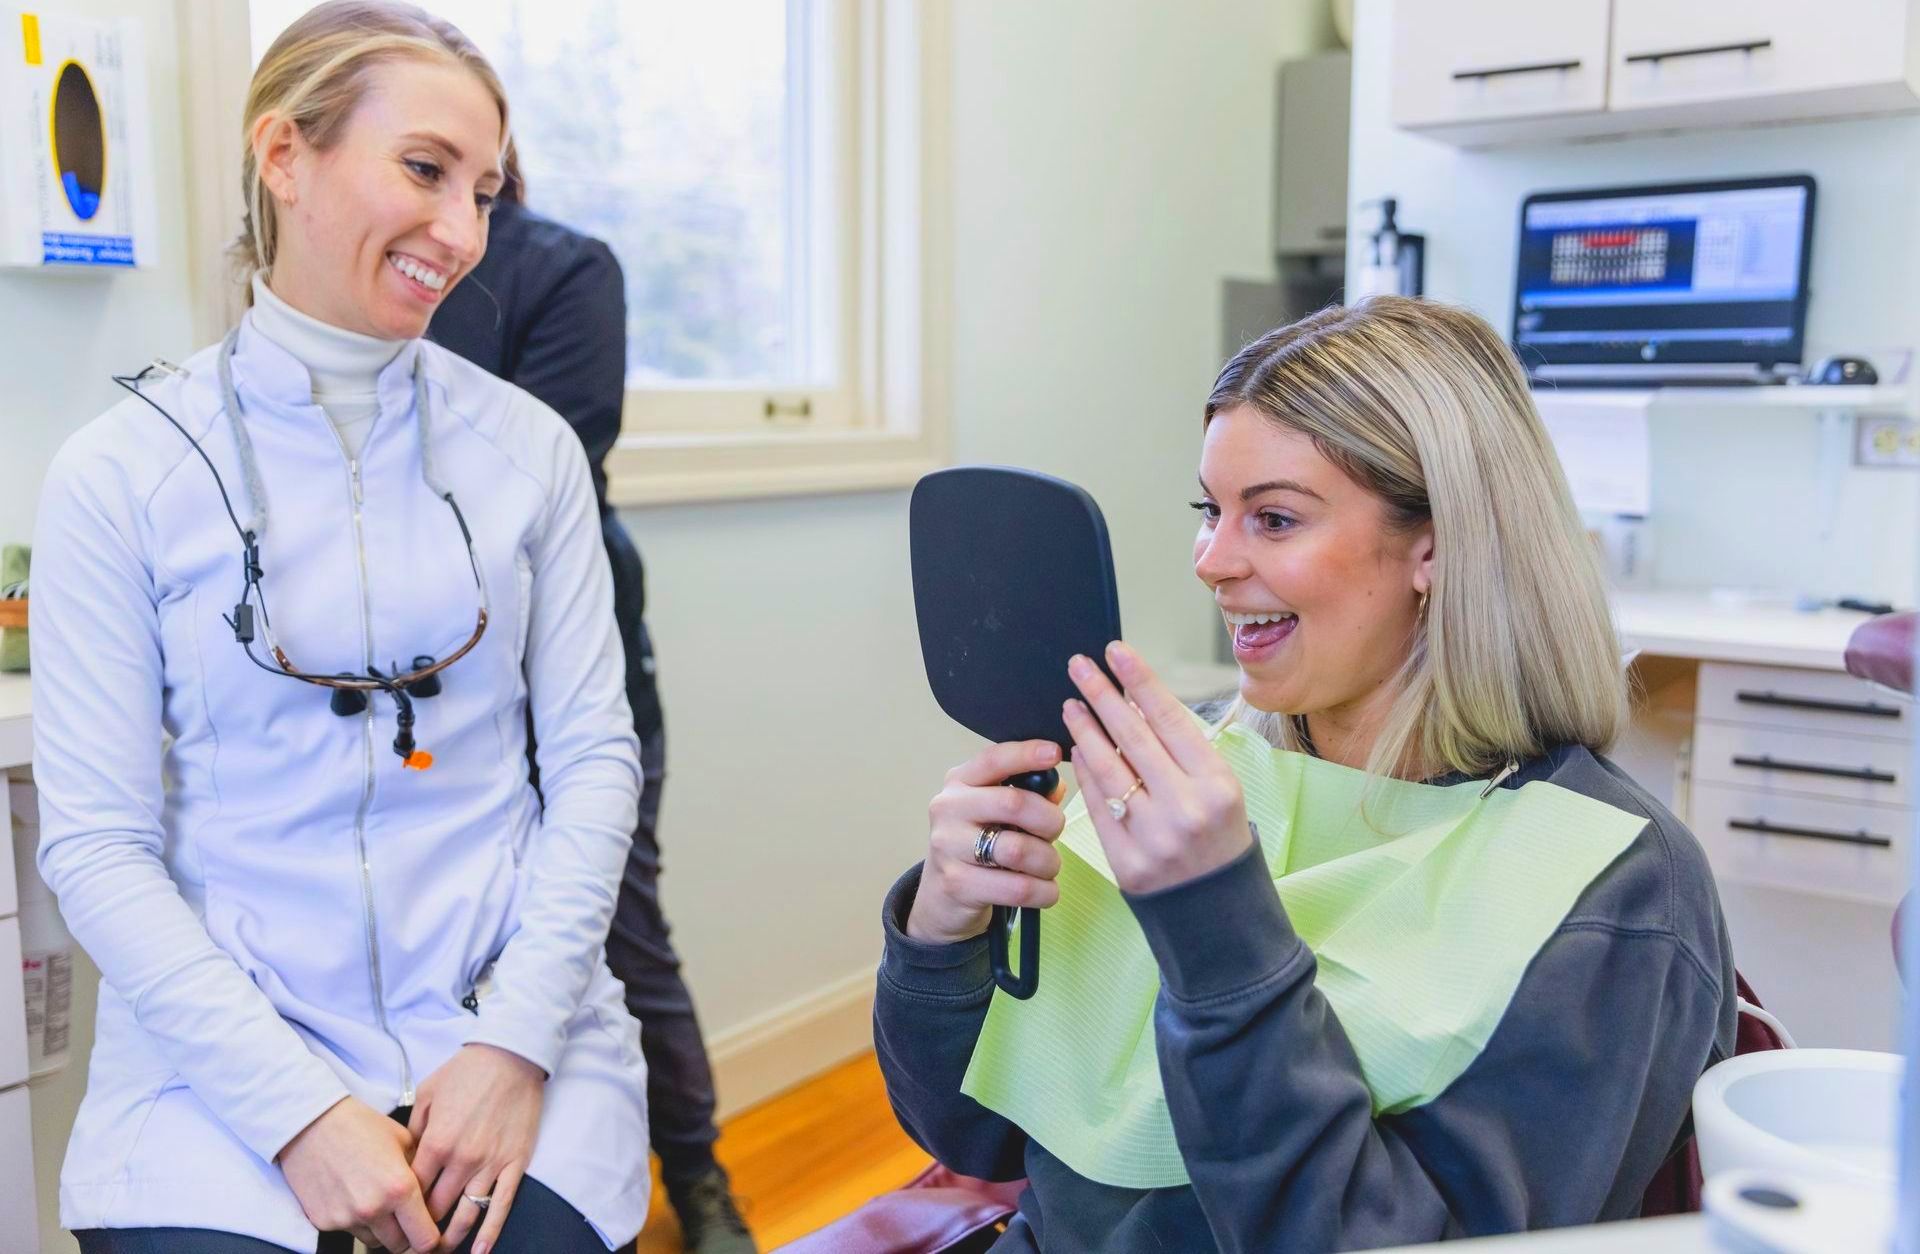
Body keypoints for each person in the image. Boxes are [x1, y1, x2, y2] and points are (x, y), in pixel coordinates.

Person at [874, 297, 1737, 1250]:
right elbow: (972, 1133)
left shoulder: (1616, 884)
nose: (1211, 560)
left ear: (1435, 546)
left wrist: (1213, 921)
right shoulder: (1188, 776)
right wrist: (941, 935)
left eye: (1273, 518)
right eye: (1211, 510)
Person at [30, 4, 649, 1250]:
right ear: (284, 156)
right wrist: (297, 1110)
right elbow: (97, 845)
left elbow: (593, 767)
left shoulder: (525, 452)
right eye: (425, 171)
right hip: (223, 1071)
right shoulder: (121, 472)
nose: (463, 232)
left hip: (507, 1029)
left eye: (482, 189)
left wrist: (516, 1040)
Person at [430, 147, 756, 1254]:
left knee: (623, 931)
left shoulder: (567, 269)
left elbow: (544, 464)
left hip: (563, 668)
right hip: (423, 704)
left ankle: (702, 1180)